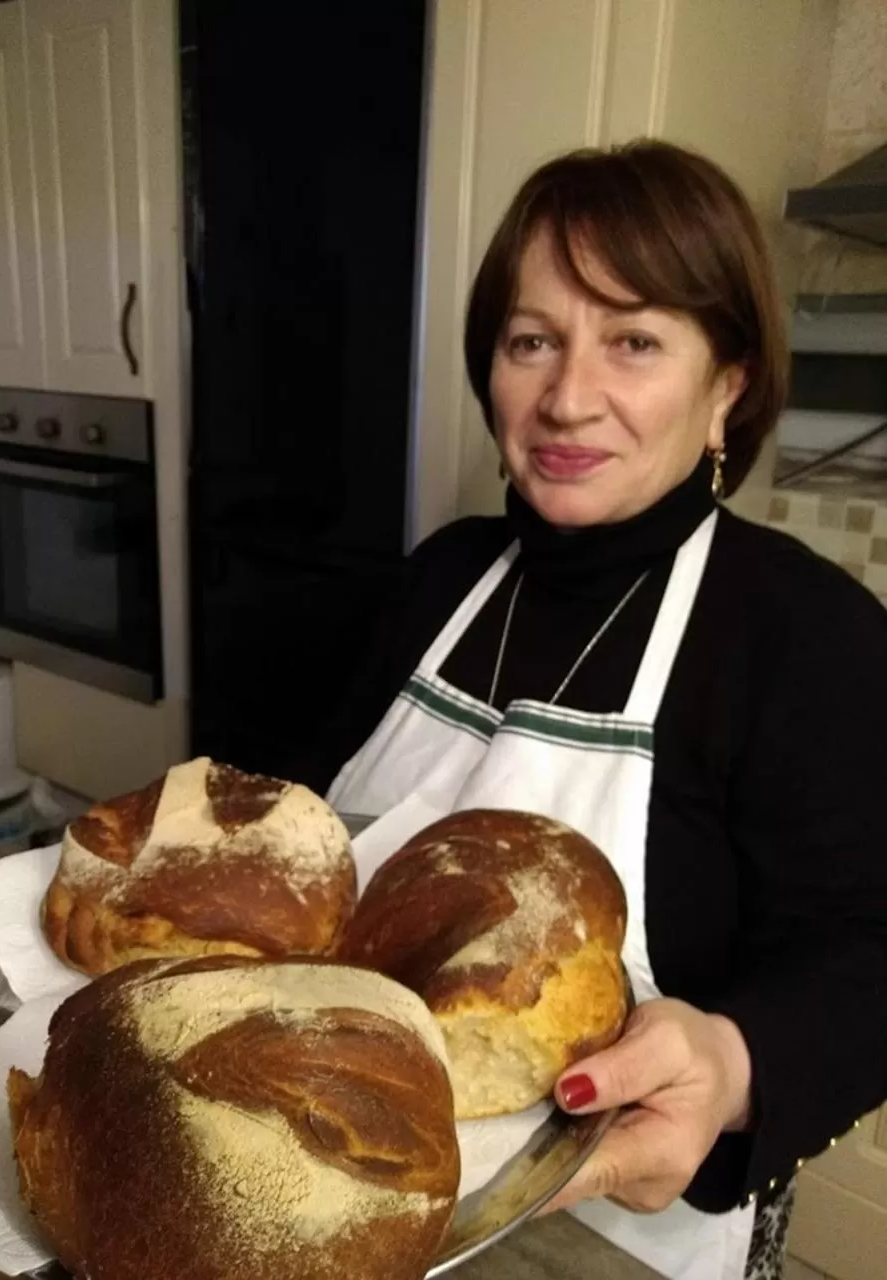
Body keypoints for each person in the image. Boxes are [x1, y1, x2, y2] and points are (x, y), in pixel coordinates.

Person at [297, 140, 887, 1280]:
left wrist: (734, 1055)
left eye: (634, 340)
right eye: (532, 341)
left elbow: (871, 946)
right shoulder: (443, 578)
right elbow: (316, 826)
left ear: (729, 385)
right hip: (350, 1169)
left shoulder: (803, 634)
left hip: (616, 1229)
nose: (567, 398)